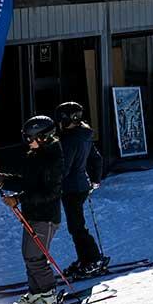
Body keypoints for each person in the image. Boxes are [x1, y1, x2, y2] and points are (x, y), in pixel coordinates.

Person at [0, 115, 66, 304]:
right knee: (29, 256)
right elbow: (28, 179)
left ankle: (49, 297)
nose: (28, 142)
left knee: (36, 258)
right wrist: (3, 180)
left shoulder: (53, 158)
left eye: (31, 138)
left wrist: (19, 199)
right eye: (27, 138)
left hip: (46, 217)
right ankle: (36, 293)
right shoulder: (36, 153)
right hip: (32, 215)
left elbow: (50, 192)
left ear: (45, 137)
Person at [54, 102, 108, 278]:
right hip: (81, 186)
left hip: (71, 188)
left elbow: (65, 168)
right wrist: (95, 180)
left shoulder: (69, 139)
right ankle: (86, 258)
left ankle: (93, 259)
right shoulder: (84, 135)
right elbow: (97, 159)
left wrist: (53, 183)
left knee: (77, 227)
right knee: (76, 225)